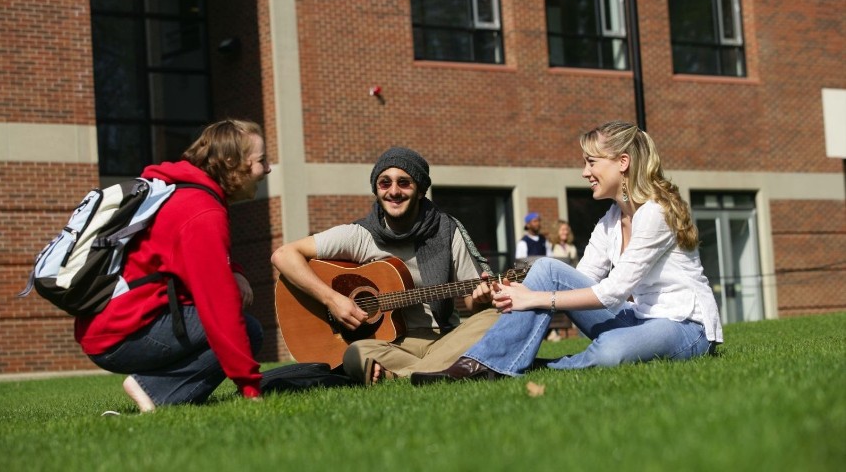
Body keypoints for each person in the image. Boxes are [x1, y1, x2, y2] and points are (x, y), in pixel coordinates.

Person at [411, 121, 723, 384]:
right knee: (547, 269)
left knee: (610, 351)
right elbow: (580, 280)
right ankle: (480, 365)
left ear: (622, 162)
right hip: (639, 319)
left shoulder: (655, 214)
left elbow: (611, 293)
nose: (584, 172)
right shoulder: (610, 221)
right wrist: (515, 291)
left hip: (684, 327)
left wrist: (534, 298)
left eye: (591, 161)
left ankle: (527, 366)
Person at [75, 119, 271, 411]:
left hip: (110, 325)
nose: (266, 169)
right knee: (247, 329)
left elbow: (195, 259)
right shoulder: (201, 212)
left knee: (240, 326)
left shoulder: (186, 193)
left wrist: (234, 270)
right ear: (232, 161)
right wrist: (251, 388)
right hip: (123, 333)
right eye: (261, 160)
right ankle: (154, 392)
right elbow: (219, 307)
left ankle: (154, 390)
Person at [271, 146, 499, 384]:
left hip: (445, 339)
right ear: (376, 190)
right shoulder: (360, 235)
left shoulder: (447, 231)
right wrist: (333, 300)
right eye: (384, 183)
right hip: (389, 346)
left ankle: (406, 375)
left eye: (404, 183)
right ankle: (445, 370)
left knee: (495, 318)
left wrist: (482, 300)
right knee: (353, 354)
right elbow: (284, 255)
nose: (394, 191)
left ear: (420, 191)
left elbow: (474, 301)